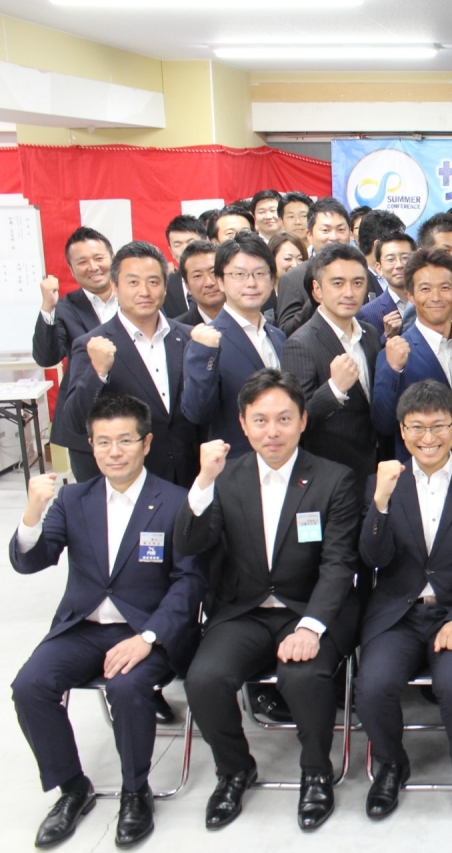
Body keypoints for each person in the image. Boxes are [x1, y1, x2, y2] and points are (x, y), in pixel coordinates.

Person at [10, 394, 205, 849]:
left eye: (125, 440)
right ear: (91, 446)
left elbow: (190, 583)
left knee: (127, 687)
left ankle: (136, 792)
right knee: (30, 685)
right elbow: (31, 561)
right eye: (103, 442)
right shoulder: (73, 499)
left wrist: (148, 637)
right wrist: (32, 513)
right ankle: (72, 789)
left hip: (146, 631)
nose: (114, 452)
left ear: (146, 443)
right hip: (83, 628)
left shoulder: (175, 501)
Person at [177, 369, 362, 831]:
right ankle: (234, 770)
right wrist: (202, 482)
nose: (272, 431)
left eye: (283, 418)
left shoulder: (334, 479)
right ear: (243, 424)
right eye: (260, 420)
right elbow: (190, 543)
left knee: (303, 677)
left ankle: (316, 772)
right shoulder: (224, 478)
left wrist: (311, 627)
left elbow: (339, 564)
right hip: (244, 610)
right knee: (204, 679)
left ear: (303, 420)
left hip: (309, 610)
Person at [356, 380, 452, 822]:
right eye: (417, 427)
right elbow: (373, 558)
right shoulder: (383, 483)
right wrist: (380, 504)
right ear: (402, 431)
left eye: (438, 426)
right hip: (398, 615)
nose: (428, 438)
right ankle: (390, 764)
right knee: (372, 685)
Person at [60, 241, 198, 487]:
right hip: (130, 480)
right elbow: (75, 421)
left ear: (165, 286)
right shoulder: (92, 345)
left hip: (190, 475)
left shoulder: (189, 337)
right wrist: (97, 372)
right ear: (115, 287)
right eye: (133, 282)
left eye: (153, 282)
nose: (144, 291)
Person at [280, 242, 382, 485]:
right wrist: (335, 389)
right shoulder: (299, 344)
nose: (349, 292)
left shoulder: (369, 333)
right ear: (317, 290)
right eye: (338, 283)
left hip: (376, 467)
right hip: (331, 476)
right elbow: (298, 419)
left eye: (357, 283)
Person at [182, 232, 286, 456]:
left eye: (260, 273)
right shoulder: (207, 342)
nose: (251, 283)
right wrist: (204, 352)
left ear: (272, 279)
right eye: (239, 274)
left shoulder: (278, 336)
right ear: (220, 281)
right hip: (237, 465)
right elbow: (197, 413)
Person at [373, 248, 452, 463]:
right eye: (425, 289)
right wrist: (393, 370)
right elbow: (384, 423)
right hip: (421, 470)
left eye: (445, 288)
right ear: (411, 295)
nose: (436, 297)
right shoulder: (394, 352)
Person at [36, 228, 119, 479]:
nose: (93, 267)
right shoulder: (64, 307)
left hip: (135, 415)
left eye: (98, 258)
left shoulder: (136, 299)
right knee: (91, 495)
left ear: (113, 259)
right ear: (71, 271)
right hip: (85, 421)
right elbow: (47, 357)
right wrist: (48, 307)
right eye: (82, 262)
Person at [276, 197, 353, 335]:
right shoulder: (292, 278)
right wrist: (315, 299)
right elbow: (285, 332)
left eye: (341, 229)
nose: (334, 237)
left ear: (350, 234)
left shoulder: (360, 272)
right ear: (309, 235)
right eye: (325, 230)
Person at [356, 231, 418, 342]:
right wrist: (387, 337)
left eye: (405, 257)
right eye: (390, 259)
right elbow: (368, 352)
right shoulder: (367, 314)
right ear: (379, 268)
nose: (399, 265)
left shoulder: (433, 301)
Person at [162, 215, 206, 317]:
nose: (185, 249)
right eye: (177, 245)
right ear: (171, 251)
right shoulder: (164, 287)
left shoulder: (223, 279)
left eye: (191, 242)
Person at [174, 239, 223, 326]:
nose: (209, 283)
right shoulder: (178, 329)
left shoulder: (249, 316)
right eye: (197, 276)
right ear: (187, 287)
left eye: (213, 272)